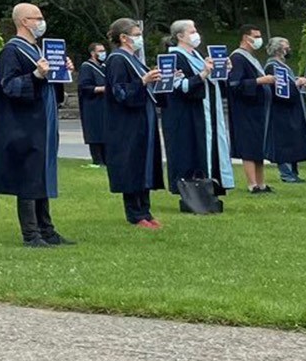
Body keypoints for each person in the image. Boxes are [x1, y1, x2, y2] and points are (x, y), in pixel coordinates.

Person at [0, 3, 71, 248]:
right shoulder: (12, 51)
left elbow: (50, 88)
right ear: (24, 21)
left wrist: (60, 74)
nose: (41, 22)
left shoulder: (38, 49)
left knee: (42, 176)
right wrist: (36, 75)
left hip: (43, 122)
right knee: (28, 178)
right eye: (38, 18)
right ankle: (31, 234)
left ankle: (47, 230)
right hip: (23, 125)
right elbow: (10, 86)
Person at [162, 18, 233, 209]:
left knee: (208, 150)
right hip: (187, 117)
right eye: (192, 31)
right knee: (190, 152)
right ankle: (193, 195)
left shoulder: (197, 55)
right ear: (180, 36)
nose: (196, 34)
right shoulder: (175, 57)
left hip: (206, 114)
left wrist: (222, 70)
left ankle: (209, 189)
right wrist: (203, 74)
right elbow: (180, 87)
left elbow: (213, 82)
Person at [102, 19, 165, 228]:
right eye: (136, 34)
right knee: (132, 165)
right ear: (123, 37)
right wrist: (143, 81)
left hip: (143, 118)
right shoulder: (117, 60)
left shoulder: (134, 58)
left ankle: (145, 210)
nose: (139, 38)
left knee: (144, 164)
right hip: (126, 122)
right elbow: (119, 91)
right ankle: (135, 213)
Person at [224, 25, 277, 194]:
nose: (258, 39)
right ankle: (252, 183)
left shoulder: (251, 57)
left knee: (258, 146)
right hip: (245, 109)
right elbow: (235, 84)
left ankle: (261, 182)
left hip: (258, 109)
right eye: (255, 36)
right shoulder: (238, 58)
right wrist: (260, 81)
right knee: (248, 146)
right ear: (246, 38)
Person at [265, 37, 306, 183]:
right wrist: (297, 82)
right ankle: (286, 174)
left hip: (291, 109)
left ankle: (293, 172)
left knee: (293, 141)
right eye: (286, 47)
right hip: (281, 110)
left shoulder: (283, 66)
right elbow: (280, 89)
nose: (289, 49)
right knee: (284, 143)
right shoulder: (272, 66)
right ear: (279, 49)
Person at [77, 41, 109, 168]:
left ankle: (106, 159)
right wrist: (102, 89)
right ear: (92, 53)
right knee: (95, 132)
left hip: (105, 105)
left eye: (103, 51)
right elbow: (84, 87)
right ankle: (97, 159)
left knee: (105, 132)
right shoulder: (87, 67)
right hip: (92, 105)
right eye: (100, 51)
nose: (103, 54)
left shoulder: (104, 67)